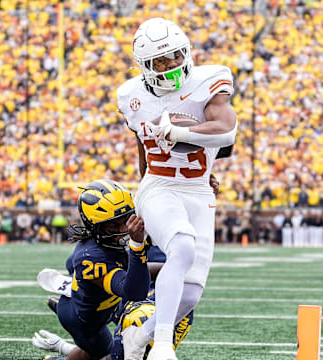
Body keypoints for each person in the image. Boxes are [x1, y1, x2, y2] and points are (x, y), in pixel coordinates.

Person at [117, 17, 237, 360]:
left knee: (191, 294)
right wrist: (145, 194)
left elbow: (226, 131)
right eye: (161, 60)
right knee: (181, 246)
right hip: (159, 184)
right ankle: (163, 347)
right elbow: (142, 147)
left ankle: (139, 338)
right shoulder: (130, 95)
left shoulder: (209, 79)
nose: (171, 64)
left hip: (199, 190)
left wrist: (178, 133)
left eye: (175, 55)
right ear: (145, 66)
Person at [34, 179, 150, 360]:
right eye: (113, 225)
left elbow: (71, 263)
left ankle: (72, 291)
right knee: (110, 354)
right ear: (95, 226)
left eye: (125, 220)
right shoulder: (92, 257)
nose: (122, 229)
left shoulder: (98, 245)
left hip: (103, 302)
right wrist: (137, 246)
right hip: (85, 321)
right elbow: (134, 291)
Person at [33, 245, 194, 360]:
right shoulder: (139, 329)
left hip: (136, 303)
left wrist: (64, 348)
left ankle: (83, 290)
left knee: (102, 344)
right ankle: (83, 289)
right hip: (142, 303)